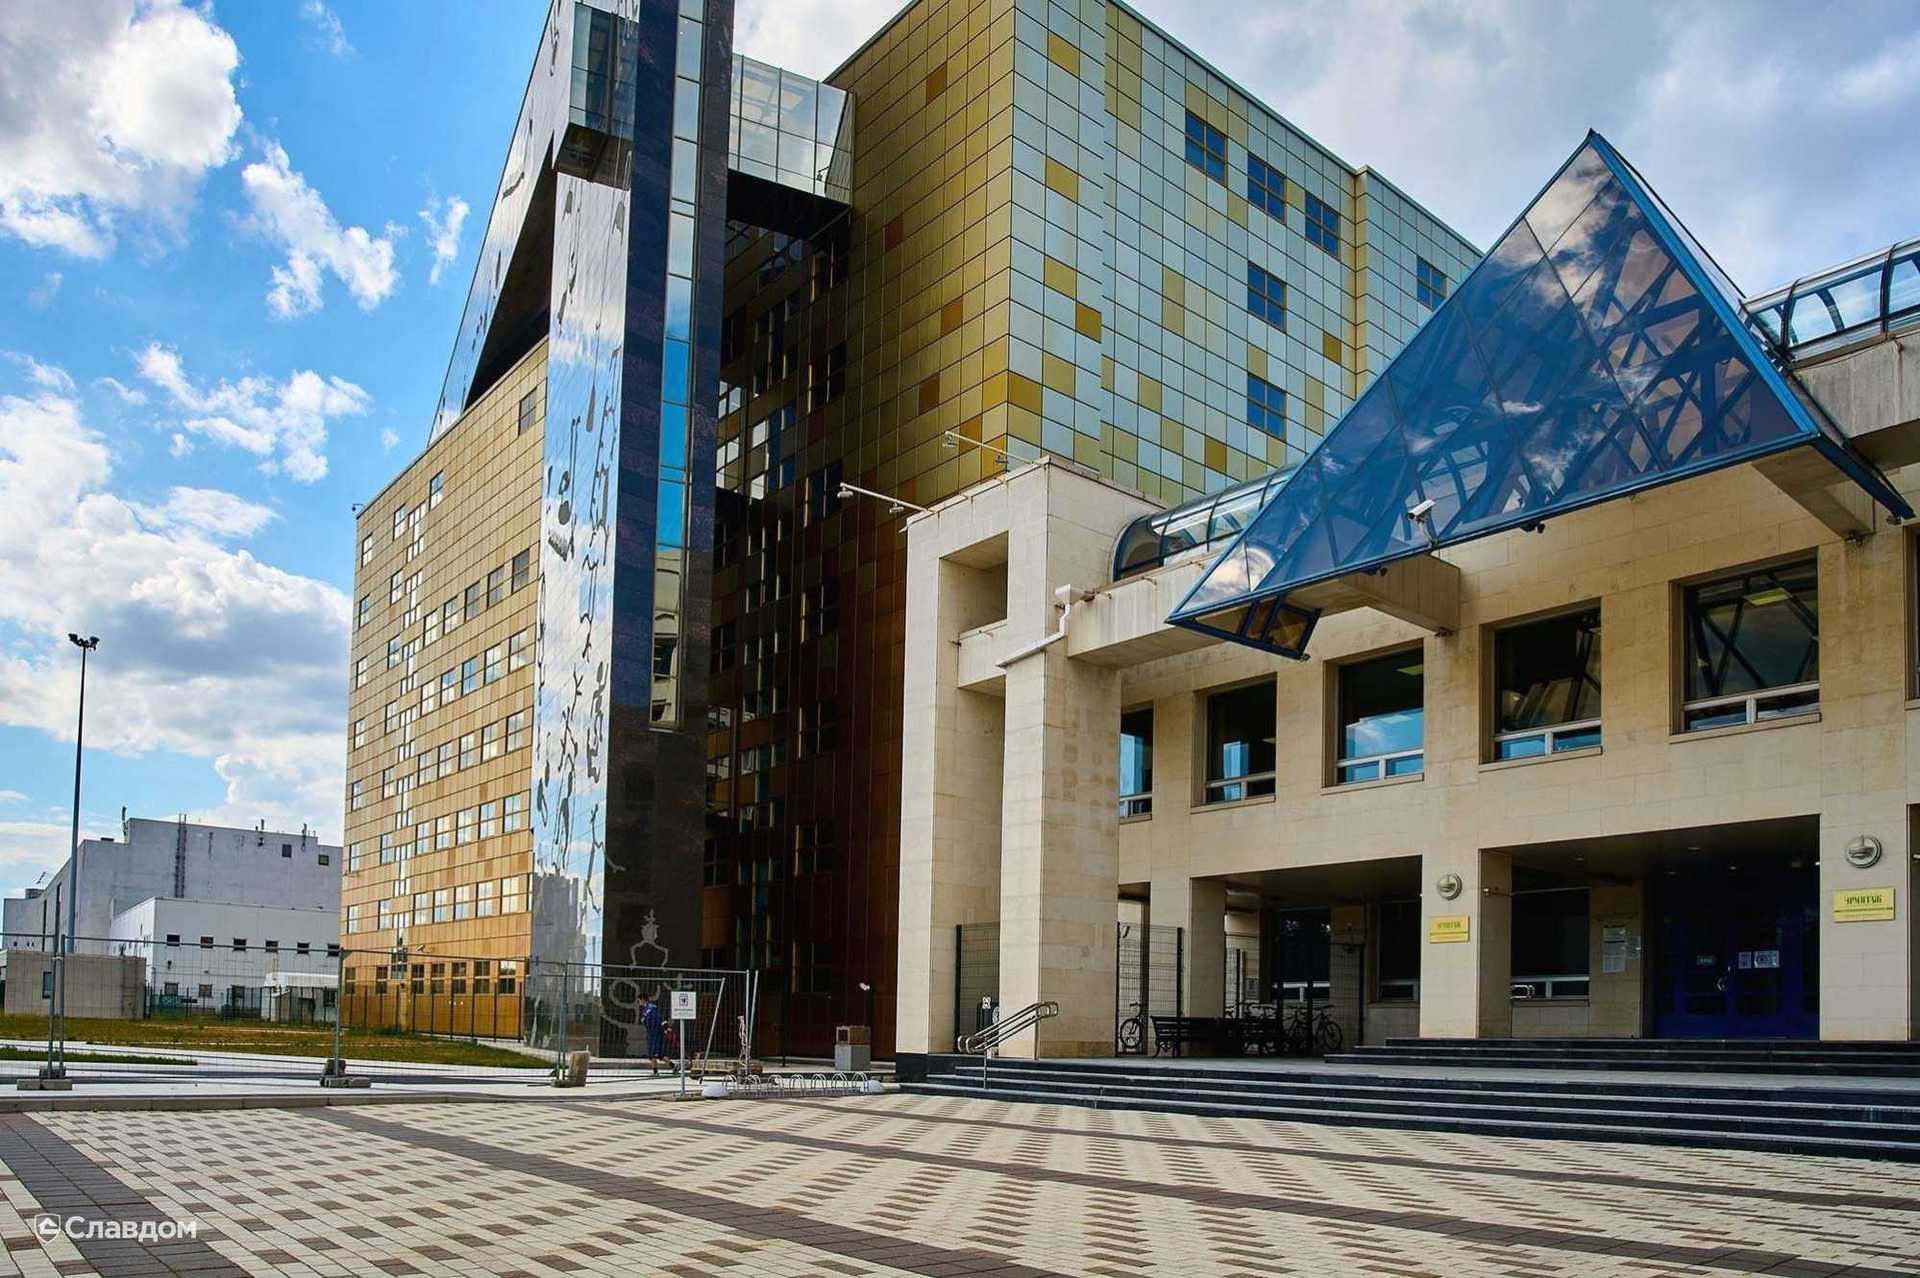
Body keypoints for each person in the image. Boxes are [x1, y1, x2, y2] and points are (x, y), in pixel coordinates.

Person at [641, 992, 666, 1075]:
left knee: (653, 1053)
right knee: (659, 1054)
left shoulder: (651, 1008)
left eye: (639, 1001)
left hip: (655, 1033)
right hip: (651, 1033)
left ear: (643, 1000)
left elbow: (659, 1019)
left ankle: (655, 1072)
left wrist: (664, 1028)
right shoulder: (646, 1009)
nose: (639, 1003)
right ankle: (673, 1065)